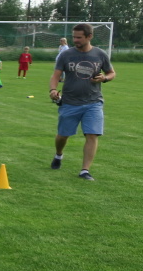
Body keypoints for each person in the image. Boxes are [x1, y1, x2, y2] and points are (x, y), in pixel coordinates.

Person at [49, 23, 115, 181]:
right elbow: (56, 75)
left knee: (92, 134)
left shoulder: (100, 54)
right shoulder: (66, 55)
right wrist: (53, 90)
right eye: (74, 37)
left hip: (94, 102)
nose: (75, 40)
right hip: (69, 102)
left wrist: (104, 78)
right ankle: (58, 155)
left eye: (79, 37)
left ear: (89, 36)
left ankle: (85, 170)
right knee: (63, 136)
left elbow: (111, 73)